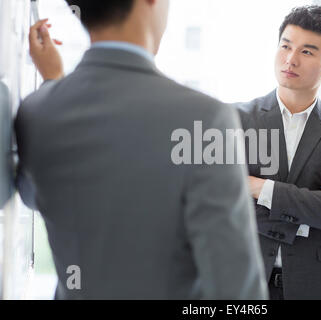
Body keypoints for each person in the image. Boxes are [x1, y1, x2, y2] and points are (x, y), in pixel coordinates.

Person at [15, 0, 268, 299]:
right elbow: (237, 293)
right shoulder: (206, 120)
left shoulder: (36, 111)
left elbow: (38, 197)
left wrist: (53, 84)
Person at [236, 5, 321, 300]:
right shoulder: (233, 119)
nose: (290, 59)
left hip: (317, 285)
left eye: (307, 52)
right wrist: (315, 205)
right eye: (286, 46)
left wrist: (258, 187)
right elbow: (217, 200)